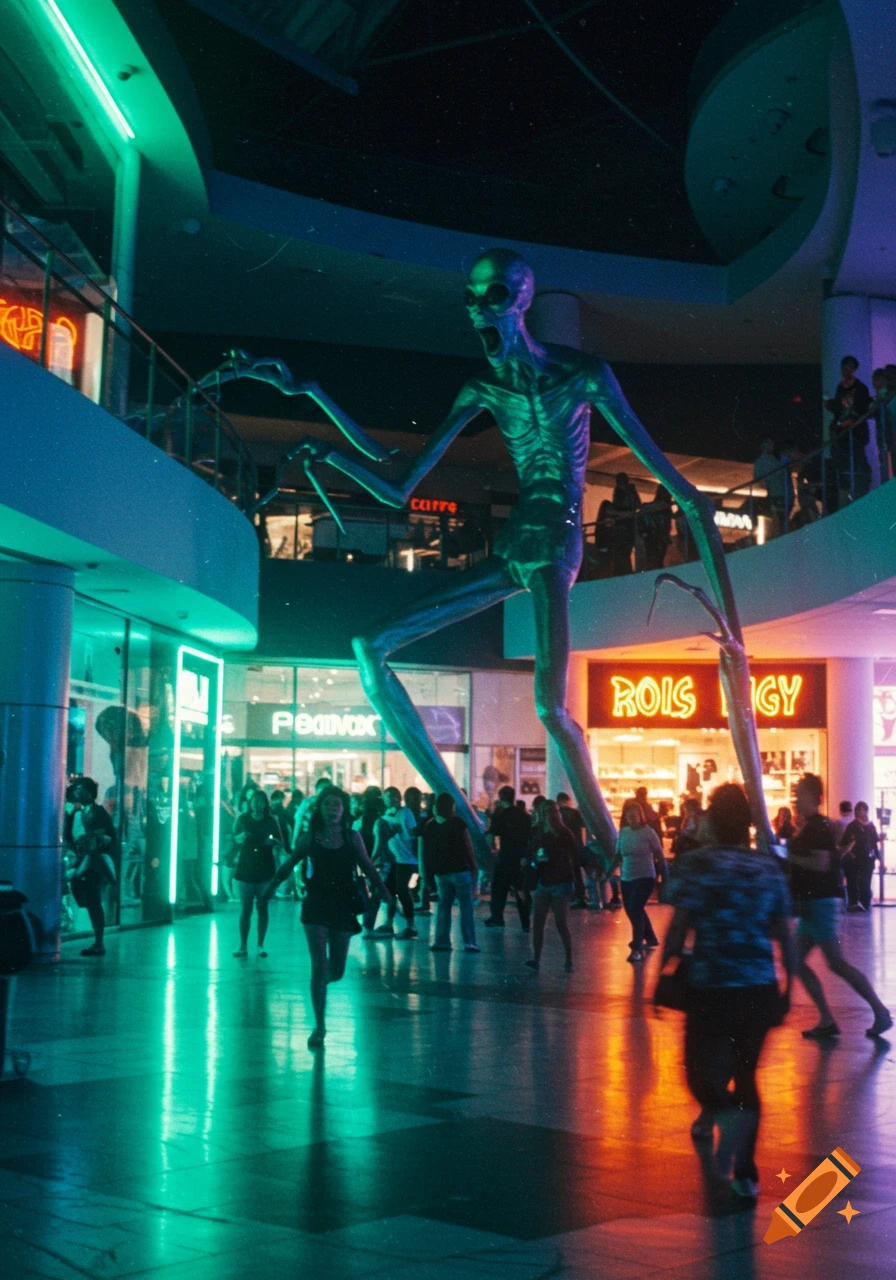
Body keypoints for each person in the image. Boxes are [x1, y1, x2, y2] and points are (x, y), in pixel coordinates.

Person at [660, 784, 796, 1200]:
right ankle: (746, 1173)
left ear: (712, 822)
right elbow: (783, 933)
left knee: (699, 1074)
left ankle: (721, 1113)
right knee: (747, 1076)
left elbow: (680, 925)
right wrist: (788, 985)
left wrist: (663, 974)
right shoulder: (768, 868)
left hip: (712, 984)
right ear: (749, 825)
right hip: (757, 984)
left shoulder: (698, 864)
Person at [264, 785, 392, 1048]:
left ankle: (320, 986)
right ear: (319, 809)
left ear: (343, 809)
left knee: (336, 970)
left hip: (343, 905)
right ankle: (319, 1025)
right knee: (319, 967)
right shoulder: (310, 837)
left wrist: (386, 893)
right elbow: (290, 863)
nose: (332, 810)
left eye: (336, 805)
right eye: (327, 805)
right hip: (316, 904)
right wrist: (270, 888)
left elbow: (368, 867)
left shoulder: (352, 836)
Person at [789, 773, 891, 1039]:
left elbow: (821, 863)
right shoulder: (812, 825)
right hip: (814, 904)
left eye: (800, 793)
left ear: (814, 797)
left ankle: (879, 1012)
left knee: (836, 963)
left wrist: (788, 855)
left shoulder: (818, 827)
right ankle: (828, 1018)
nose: (796, 798)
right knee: (798, 960)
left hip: (822, 903)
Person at [64, 777, 118, 957]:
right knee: (88, 900)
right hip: (80, 861)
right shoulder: (76, 812)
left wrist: (91, 842)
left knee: (93, 901)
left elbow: (108, 836)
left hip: (92, 862)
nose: (76, 792)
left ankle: (99, 941)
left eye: (80, 789)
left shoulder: (96, 811)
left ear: (88, 793)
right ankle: (97, 940)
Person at [421, 793, 479, 952]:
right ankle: (469, 942)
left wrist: (427, 875)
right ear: (451, 807)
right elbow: (469, 848)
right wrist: (474, 868)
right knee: (466, 906)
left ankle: (442, 940)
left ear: (436, 807)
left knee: (444, 905)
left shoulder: (430, 826)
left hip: (441, 873)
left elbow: (426, 853)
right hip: (461, 871)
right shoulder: (459, 824)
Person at [524, 800, 576, 972]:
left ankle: (569, 958)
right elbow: (531, 851)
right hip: (543, 880)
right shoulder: (537, 831)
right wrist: (533, 860)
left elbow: (573, 854)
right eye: (544, 811)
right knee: (537, 922)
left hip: (560, 881)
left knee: (561, 922)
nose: (547, 814)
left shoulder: (563, 832)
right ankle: (536, 959)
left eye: (550, 811)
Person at [232, 790, 283, 958]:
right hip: (246, 866)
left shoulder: (271, 820)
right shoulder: (243, 818)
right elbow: (235, 837)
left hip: (265, 868)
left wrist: (272, 842)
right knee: (245, 909)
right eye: (255, 800)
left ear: (265, 803)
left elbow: (279, 840)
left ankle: (260, 944)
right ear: (250, 802)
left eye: (261, 801)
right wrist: (241, 836)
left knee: (262, 907)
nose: (257, 804)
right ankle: (242, 945)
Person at [611, 801, 662, 962]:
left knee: (635, 908)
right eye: (629, 816)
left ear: (641, 816)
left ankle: (637, 947)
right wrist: (609, 871)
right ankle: (650, 937)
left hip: (645, 877)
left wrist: (665, 877)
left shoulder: (648, 833)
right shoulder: (623, 833)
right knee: (633, 909)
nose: (632, 819)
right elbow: (618, 854)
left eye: (635, 816)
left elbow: (659, 855)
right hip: (627, 877)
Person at [369, 786, 419, 939]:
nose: (390, 798)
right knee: (390, 891)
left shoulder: (406, 813)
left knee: (402, 890)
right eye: (387, 796)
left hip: (406, 859)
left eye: (393, 795)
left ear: (399, 797)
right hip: (393, 860)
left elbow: (413, 834)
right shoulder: (384, 816)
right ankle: (389, 924)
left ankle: (411, 927)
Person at [825, 356, 872, 504]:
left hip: (856, 433)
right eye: (845, 367)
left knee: (858, 462)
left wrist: (850, 421)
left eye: (850, 368)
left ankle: (860, 493)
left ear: (854, 369)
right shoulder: (840, 387)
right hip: (843, 434)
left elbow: (861, 410)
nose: (847, 371)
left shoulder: (861, 388)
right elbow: (840, 409)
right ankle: (845, 494)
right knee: (843, 464)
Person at [485, 785, 531, 931]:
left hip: (505, 857)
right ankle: (525, 922)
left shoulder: (501, 815)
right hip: (520, 858)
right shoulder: (524, 815)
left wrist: (493, 850)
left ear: (501, 797)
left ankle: (497, 917)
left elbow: (492, 834)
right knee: (520, 890)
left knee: (499, 889)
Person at [839, 801, 880, 913]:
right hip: (856, 859)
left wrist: (878, 858)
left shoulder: (871, 826)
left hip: (868, 859)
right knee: (855, 882)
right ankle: (856, 903)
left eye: (863, 809)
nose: (861, 812)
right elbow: (844, 842)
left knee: (865, 882)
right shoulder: (852, 826)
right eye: (859, 809)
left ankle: (864, 903)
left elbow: (875, 843)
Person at [557, 791, 589, 908]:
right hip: (576, 846)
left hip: (562, 848)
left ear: (558, 801)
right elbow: (585, 825)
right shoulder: (575, 813)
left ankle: (566, 896)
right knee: (576, 872)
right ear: (568, 801)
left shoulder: (557, 814)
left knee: (564, 872)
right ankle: (579, 896)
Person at [610, 472, 639, 575]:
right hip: (621, 525)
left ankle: (626, 571)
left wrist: (625, 514)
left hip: (628, 525)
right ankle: (623, 571)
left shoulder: (630, 492)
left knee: (624, 551)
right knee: (621, 552)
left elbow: (636, 506)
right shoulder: (618, 492)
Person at [292, 776, 333, 846]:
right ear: (317, 790)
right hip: (310, 838)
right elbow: (298, 821)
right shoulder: (308, 803)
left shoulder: (333, 804)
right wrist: (294, 841)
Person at [641, 483, 672, 570]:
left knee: (656, 558)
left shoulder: (665, 506)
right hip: (655, 535)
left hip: (657, 535)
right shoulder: (665, 506)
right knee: (655, 558)